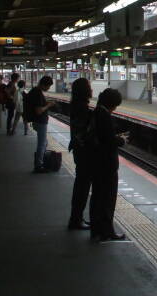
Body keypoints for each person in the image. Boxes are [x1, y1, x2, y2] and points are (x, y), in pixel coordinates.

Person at [89, 88, 128, 241]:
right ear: (112, 104)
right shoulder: (104, 115)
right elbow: (108, 141)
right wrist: (121, 140)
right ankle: (106, 231)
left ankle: (96, 230)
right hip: (106, 164)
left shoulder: (97, 111)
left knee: (97, 197)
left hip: (97, 162)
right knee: (107, 199)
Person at [68, 78, 93, 230]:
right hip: (85, 152)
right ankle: (76, 219)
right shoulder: (83, 109)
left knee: (81, 185)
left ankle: (76, 218)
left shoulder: (75, 105)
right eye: (89, 86)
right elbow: (87, 132)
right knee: (82, 187)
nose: (91, 89)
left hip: (79, 150)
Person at [28, 76, 55, 173]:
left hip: (37, 121)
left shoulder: (35, 91)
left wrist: (46, 103)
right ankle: (38, 165)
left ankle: (40, 161)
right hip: (40, 121)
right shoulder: (38, 93)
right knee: (42, 144)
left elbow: (38, 105)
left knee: (44, 143)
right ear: (44, 84)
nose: (48, 88)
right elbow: (39, 111)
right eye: (48, 86)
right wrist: (48, 105)